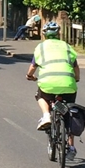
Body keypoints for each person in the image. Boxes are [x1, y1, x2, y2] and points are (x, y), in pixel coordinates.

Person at [26, 21, 80, 160]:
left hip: (48, 84)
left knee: (40, 96)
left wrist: (30, 76)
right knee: (68, 114)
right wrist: (76, 79)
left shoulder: (41, 47)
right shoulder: (67, 46)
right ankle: (71, 147)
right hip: (68, 84)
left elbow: (33, 67)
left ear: (44, 34)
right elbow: (76, 68)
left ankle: (46, 116)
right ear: (58, 34)